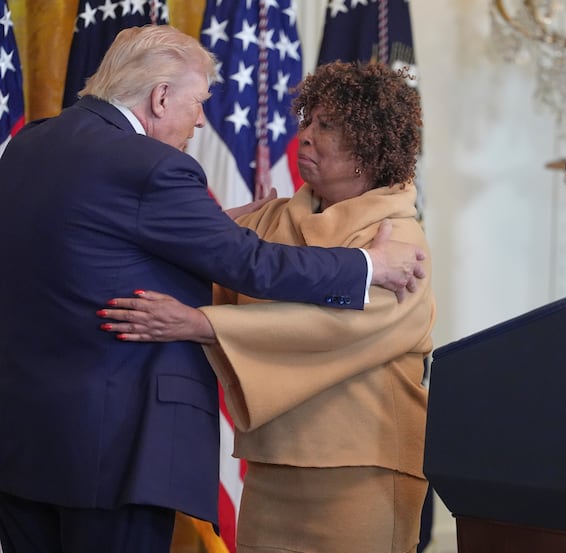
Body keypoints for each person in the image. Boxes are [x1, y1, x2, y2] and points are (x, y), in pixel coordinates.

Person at [0, 26, 427, 553]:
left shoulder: (28, 144)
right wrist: (366, 266)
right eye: (198, 101)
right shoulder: (151, 167)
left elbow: (95, 240)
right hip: (113, 446)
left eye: (327, 125)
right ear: (161, 97)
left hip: (24, 442)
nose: (202, 119)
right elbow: (248, 264)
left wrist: (200, 321)